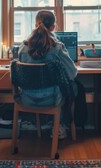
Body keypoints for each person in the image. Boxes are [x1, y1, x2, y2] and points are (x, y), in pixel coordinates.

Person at [17, 10, 78, 139]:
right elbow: (72, 73)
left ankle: (49, 124)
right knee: (73, 87)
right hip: (52, 98)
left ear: (35, 25)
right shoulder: (57, 47)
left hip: (26, 98)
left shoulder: (22, 47)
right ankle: (60, 125)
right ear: (53, 27)